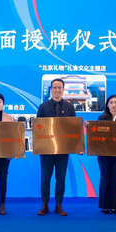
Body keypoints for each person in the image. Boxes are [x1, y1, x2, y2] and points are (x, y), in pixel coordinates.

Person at [36, 78, 76, 216]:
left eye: (60, 88)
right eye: (55, 87)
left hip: (63, 150)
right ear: (51, 89)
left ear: (63, 89)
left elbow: (74, 129)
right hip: (46, 150)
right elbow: (38, 127)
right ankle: (45, 204)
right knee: (45, 178)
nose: (57, 90)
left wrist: (76, 146)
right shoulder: (43, 107)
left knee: (61, 178)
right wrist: (38, 146)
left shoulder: (69, 107)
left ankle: (59, 204)